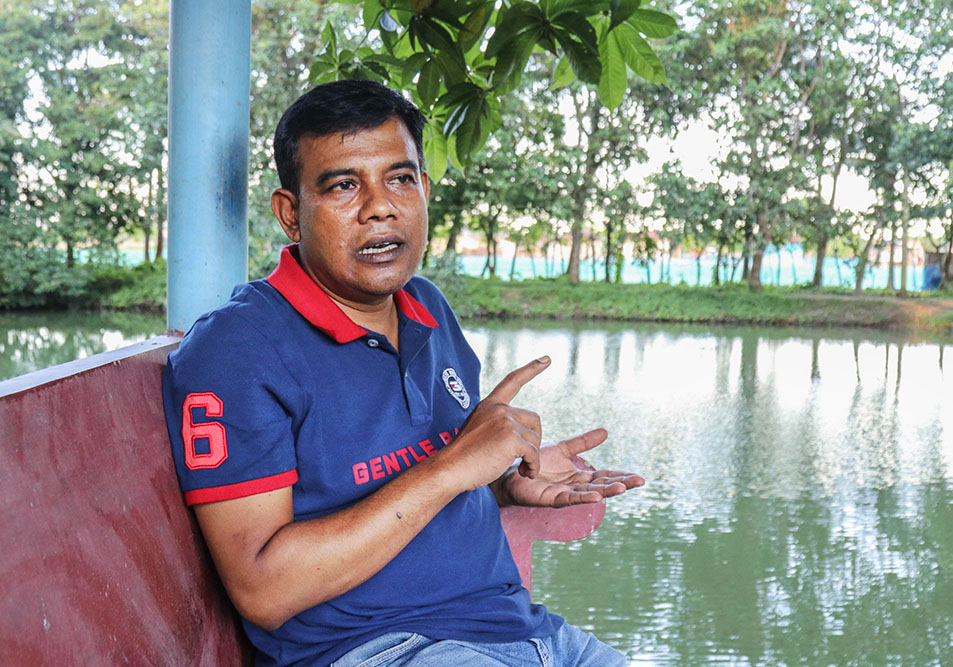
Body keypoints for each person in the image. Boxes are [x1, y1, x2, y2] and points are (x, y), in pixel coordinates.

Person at [162, 80, 644, 667]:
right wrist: (454, 467)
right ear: (290, 214)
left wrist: (500, 480)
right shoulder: (238, 347)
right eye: (343, 185)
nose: (379, 206)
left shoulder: (427, 306)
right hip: (379, 650)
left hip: (527, 634)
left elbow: (430, 475)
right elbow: (265, 589)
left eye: (400, 179)